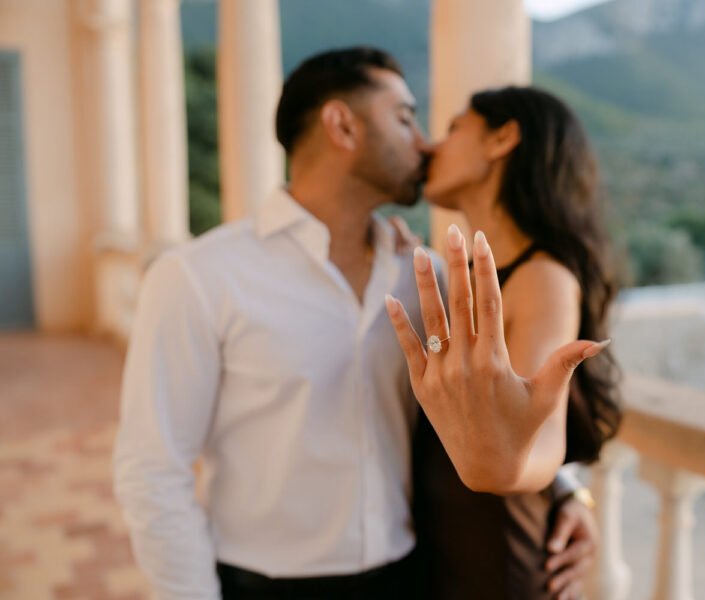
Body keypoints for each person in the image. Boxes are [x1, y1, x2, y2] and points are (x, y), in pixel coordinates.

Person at [114, 47, 598, 600]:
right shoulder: (199, 276)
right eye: (405, 118)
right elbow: (153, 471)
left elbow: (488, 401)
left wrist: (566, 491)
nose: (424, 143)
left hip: (411, 578)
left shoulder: (424, 276)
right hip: (264, 587)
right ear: (342, 125)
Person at [387, 86, 622, 598]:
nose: (430, 147)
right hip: (452, 552)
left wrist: (505, 468)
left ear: (502, 139)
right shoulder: (474, 276)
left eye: (453, 129)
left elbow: (539, 440)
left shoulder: (543, 278)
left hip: (498, 562)